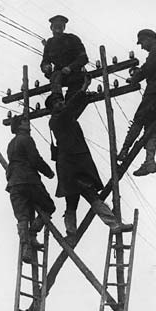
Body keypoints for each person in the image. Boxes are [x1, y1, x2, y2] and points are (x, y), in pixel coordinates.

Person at [46, 75, 134, 244]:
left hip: (70, 168)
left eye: (60, 101)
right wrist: (83, 88)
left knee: (72, 202)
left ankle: (71, 234)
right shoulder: (59, 119)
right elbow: (71, 107)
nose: (61, 103)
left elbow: (73, 109)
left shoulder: (64, 118)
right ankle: (114, 224)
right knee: (91, 196)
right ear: (52, 108)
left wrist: (84, 97)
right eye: (57, 103)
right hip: (73, 168)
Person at [117, 29, 156, 176]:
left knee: (140, 118)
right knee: (151, 125)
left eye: (142, 42)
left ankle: (124, 150)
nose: (142, 47)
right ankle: (149, 161)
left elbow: (148, 68)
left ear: (149, 38)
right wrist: (139, 74)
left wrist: (134, 78)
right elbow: (150, 68)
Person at [6, 115, 56, 264]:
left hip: (14, 183)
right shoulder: (26, 139)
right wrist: (49, 172)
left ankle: (27, 245)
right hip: (28, 180)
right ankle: (32, 232)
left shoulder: (11, 143)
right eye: (25, 121)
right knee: (49, 206)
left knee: (23, 216)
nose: (28, 124)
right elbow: (35, 159)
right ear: (20, 125)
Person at [40, 15, 89, 102]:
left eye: (60, 27)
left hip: (75, 74)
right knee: (55, 81)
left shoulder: (72, 39)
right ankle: (57, 100)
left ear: (64, 28)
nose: (57, 30)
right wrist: (46, 67)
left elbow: (83, 58)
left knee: (72, 101)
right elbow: (45, 60)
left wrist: (70, 67)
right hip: (59, 76)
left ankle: (69, 104)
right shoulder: (50, 43)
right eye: (55, 27)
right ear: (51, 28)